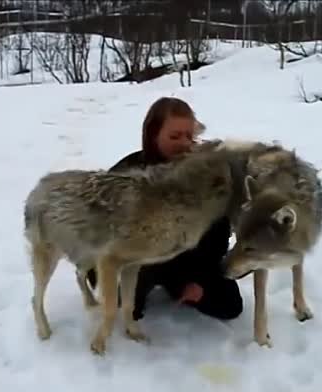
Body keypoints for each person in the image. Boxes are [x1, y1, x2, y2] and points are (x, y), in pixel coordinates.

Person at [85, 96, 243, 321]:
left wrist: (200, 281)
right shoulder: (127, 173)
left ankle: (179, 285)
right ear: (153, 134)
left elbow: (218, 234)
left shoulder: (205, 172)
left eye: (188, 135)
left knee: (229, 305)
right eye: (174, 136)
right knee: (125, 303)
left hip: (181, 259)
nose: (184, 142)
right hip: (135, 261)